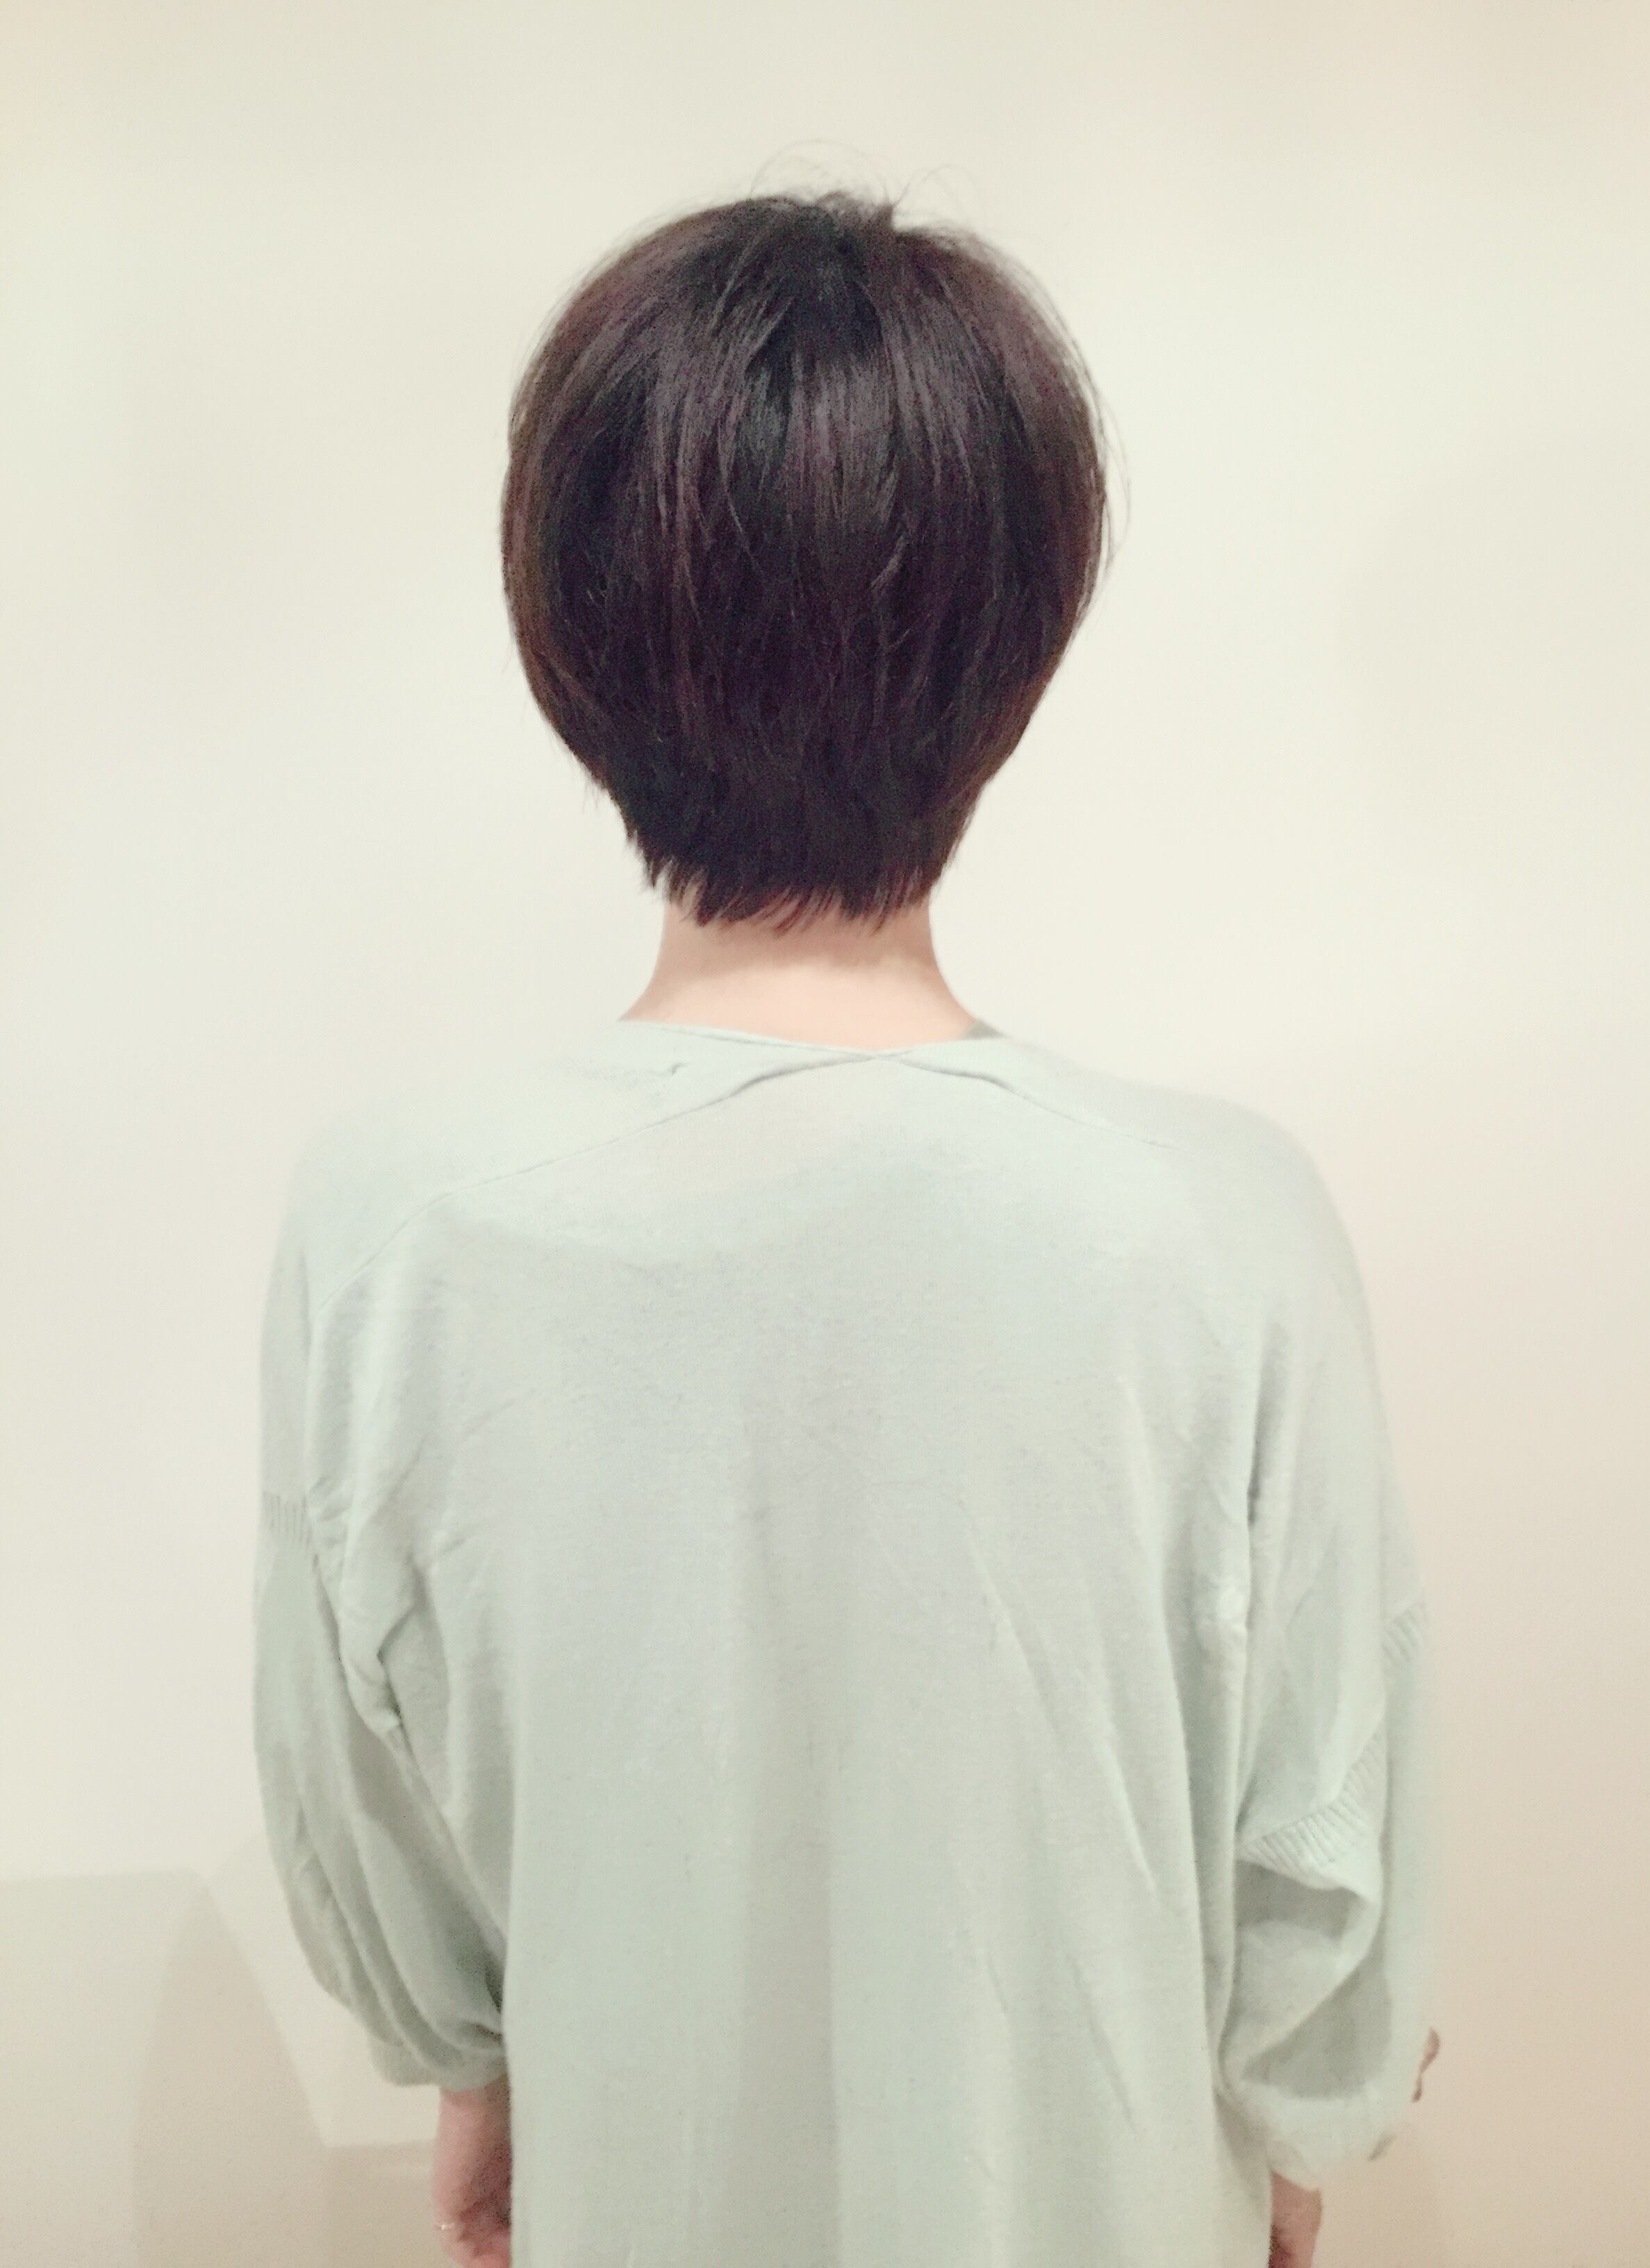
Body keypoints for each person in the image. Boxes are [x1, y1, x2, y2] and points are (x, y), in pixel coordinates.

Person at [252, 185, 1439, 2268]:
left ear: (573, 638)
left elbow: (369, 1808)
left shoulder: (396, 1227)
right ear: (1013, 645)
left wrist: (477, 2075)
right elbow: (1324, 1841)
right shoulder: (1217, 1226)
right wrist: (1297, 2146)